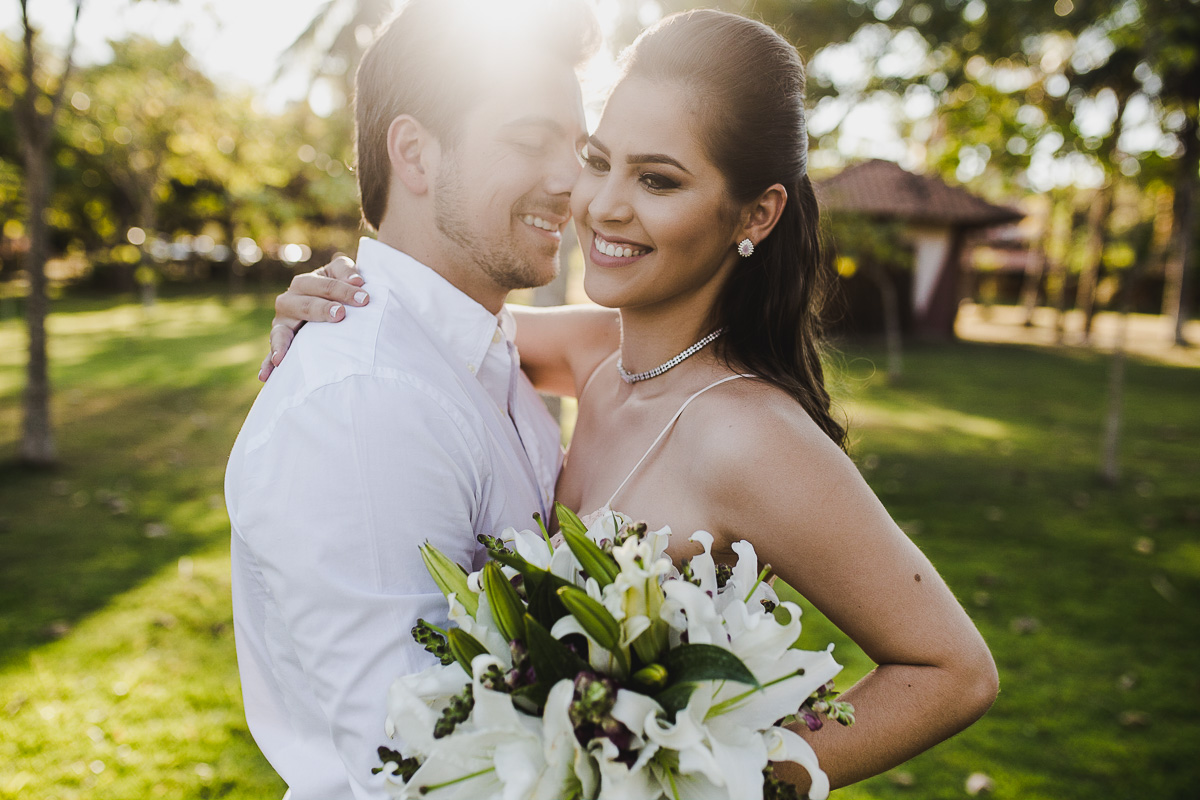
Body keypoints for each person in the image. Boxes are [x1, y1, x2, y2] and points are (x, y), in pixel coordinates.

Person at [266, 8, 999, 796]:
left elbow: (953, 671)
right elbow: (435, 328)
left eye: (658, 180)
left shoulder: (746, 435)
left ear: (756, 214)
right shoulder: (595, 352)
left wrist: (727, 773)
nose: (601, 205)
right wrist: (330, 307)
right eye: (599, 160)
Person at [224, 2, 600, 798]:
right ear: (416, 152)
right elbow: (415, 767)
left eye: (579, 147)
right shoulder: (365, 403)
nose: (573, 181)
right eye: (532, 141)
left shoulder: (482, 353)